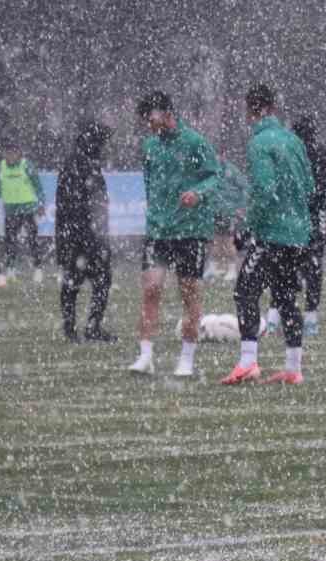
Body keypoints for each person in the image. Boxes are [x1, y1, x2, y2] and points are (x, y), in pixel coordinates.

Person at [221, 83, 314, 386]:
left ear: (252, 110)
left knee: (245, 291)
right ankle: (293, 368)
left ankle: (248, 362)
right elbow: (310, 187)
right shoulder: (294, 141)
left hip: (273, 233)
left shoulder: (259, 143)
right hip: (298, 233)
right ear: (273, 107)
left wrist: (247, 226)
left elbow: (264, 189)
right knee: (286, 298)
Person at [131, 90, 222, 377]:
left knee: (189, 293)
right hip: (158, 229)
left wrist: (198, 192)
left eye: (151, 117)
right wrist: (155, 213)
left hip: (190, 231)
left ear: (166, 113)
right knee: (151, 287)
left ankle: (187, 359)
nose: (148, 123)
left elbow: (215, 175)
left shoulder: (194, 142)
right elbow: (149, 182)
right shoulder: (150, 146)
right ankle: (145, 356)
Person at [55, 121, 116, 343]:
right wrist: (95, 239)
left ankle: (74, 329)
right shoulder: (84, 165)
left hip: (76, 235)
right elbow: (84, 206)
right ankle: (89, 327)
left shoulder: (77, 162)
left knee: (75, 283)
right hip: (85, 236)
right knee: (97, 280)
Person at [290, 116, 326, 338]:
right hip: (317, 216)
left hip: (299, 216)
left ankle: (281, 315)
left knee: (290, 264)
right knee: (314, 265)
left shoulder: (295, 153)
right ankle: (311, 316)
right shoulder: (321, 153)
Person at [0, 138, 46, 286]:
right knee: (10, 241)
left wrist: (41, 204)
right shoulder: (0, 167)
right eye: (7, 153)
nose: (10, 156)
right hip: (11, 209)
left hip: (28, 208)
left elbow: (38, 186)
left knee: (32, 240)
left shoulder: (26, 165)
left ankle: (38, 269)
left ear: (19, 154)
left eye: (13, 153)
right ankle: (11, 270)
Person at [207, 155, 248, 283]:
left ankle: (232, 270)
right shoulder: (212, 171)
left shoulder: (233, 171)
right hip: (216, 212)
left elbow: (246, 188)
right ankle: (213, 268)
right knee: (215, 242)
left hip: (230, 213)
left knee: (228, 242)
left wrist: (241, 207)